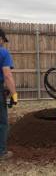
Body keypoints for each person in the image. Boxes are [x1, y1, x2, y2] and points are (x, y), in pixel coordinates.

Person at [0, 28, 18, 160]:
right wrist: (14, 94)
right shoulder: (3, 52)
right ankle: (1, 152)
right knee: (2, 122)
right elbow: (7, 75)